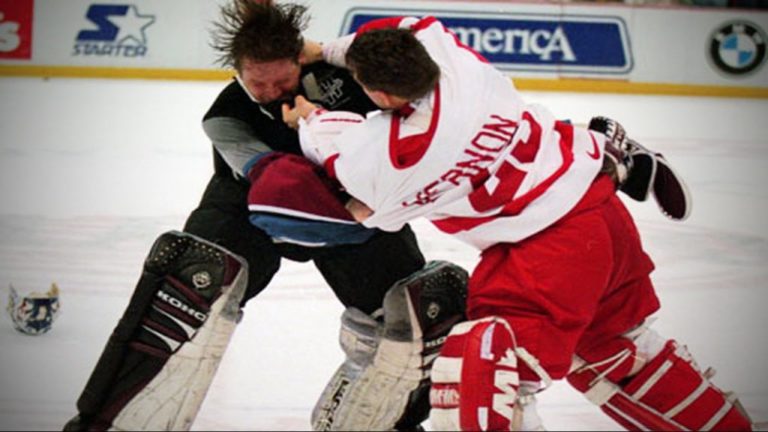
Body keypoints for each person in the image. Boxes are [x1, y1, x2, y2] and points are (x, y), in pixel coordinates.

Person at [283, 16, 755, 431]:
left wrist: (307, 119)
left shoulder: (394, 155)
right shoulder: (449, 55)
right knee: (616, 349)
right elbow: (399, 32)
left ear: (379, 94)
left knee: (485, 370)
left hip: (546, 253)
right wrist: (323, 50)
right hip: (599, 207)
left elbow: (363, 206)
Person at [62, 3, 470, 431]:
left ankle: (392, 423)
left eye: (283, 79)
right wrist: (321, 129)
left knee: (416, 314)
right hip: (253, 207)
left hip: (352, 208)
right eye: (259, 84)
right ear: (238, 73)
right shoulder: (225, 116)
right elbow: (281, 184)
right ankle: (104, 423)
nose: (273, 92)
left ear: (302, 59)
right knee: (186, 282)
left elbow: (413, 126)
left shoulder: (353, 76)